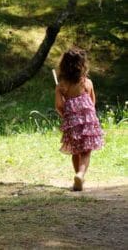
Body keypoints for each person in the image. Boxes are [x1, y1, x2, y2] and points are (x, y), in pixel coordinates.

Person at [55, 47, 104, 192]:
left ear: (64, 65)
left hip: (71, 121)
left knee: (75, 150)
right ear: (82, 65)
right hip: (88, 122)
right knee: (86, 151)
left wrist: (66, 114)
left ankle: (78, 177)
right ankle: (81, 174)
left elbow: (58, 105)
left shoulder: (61, 85)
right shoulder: (87, 83)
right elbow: (92, 103)